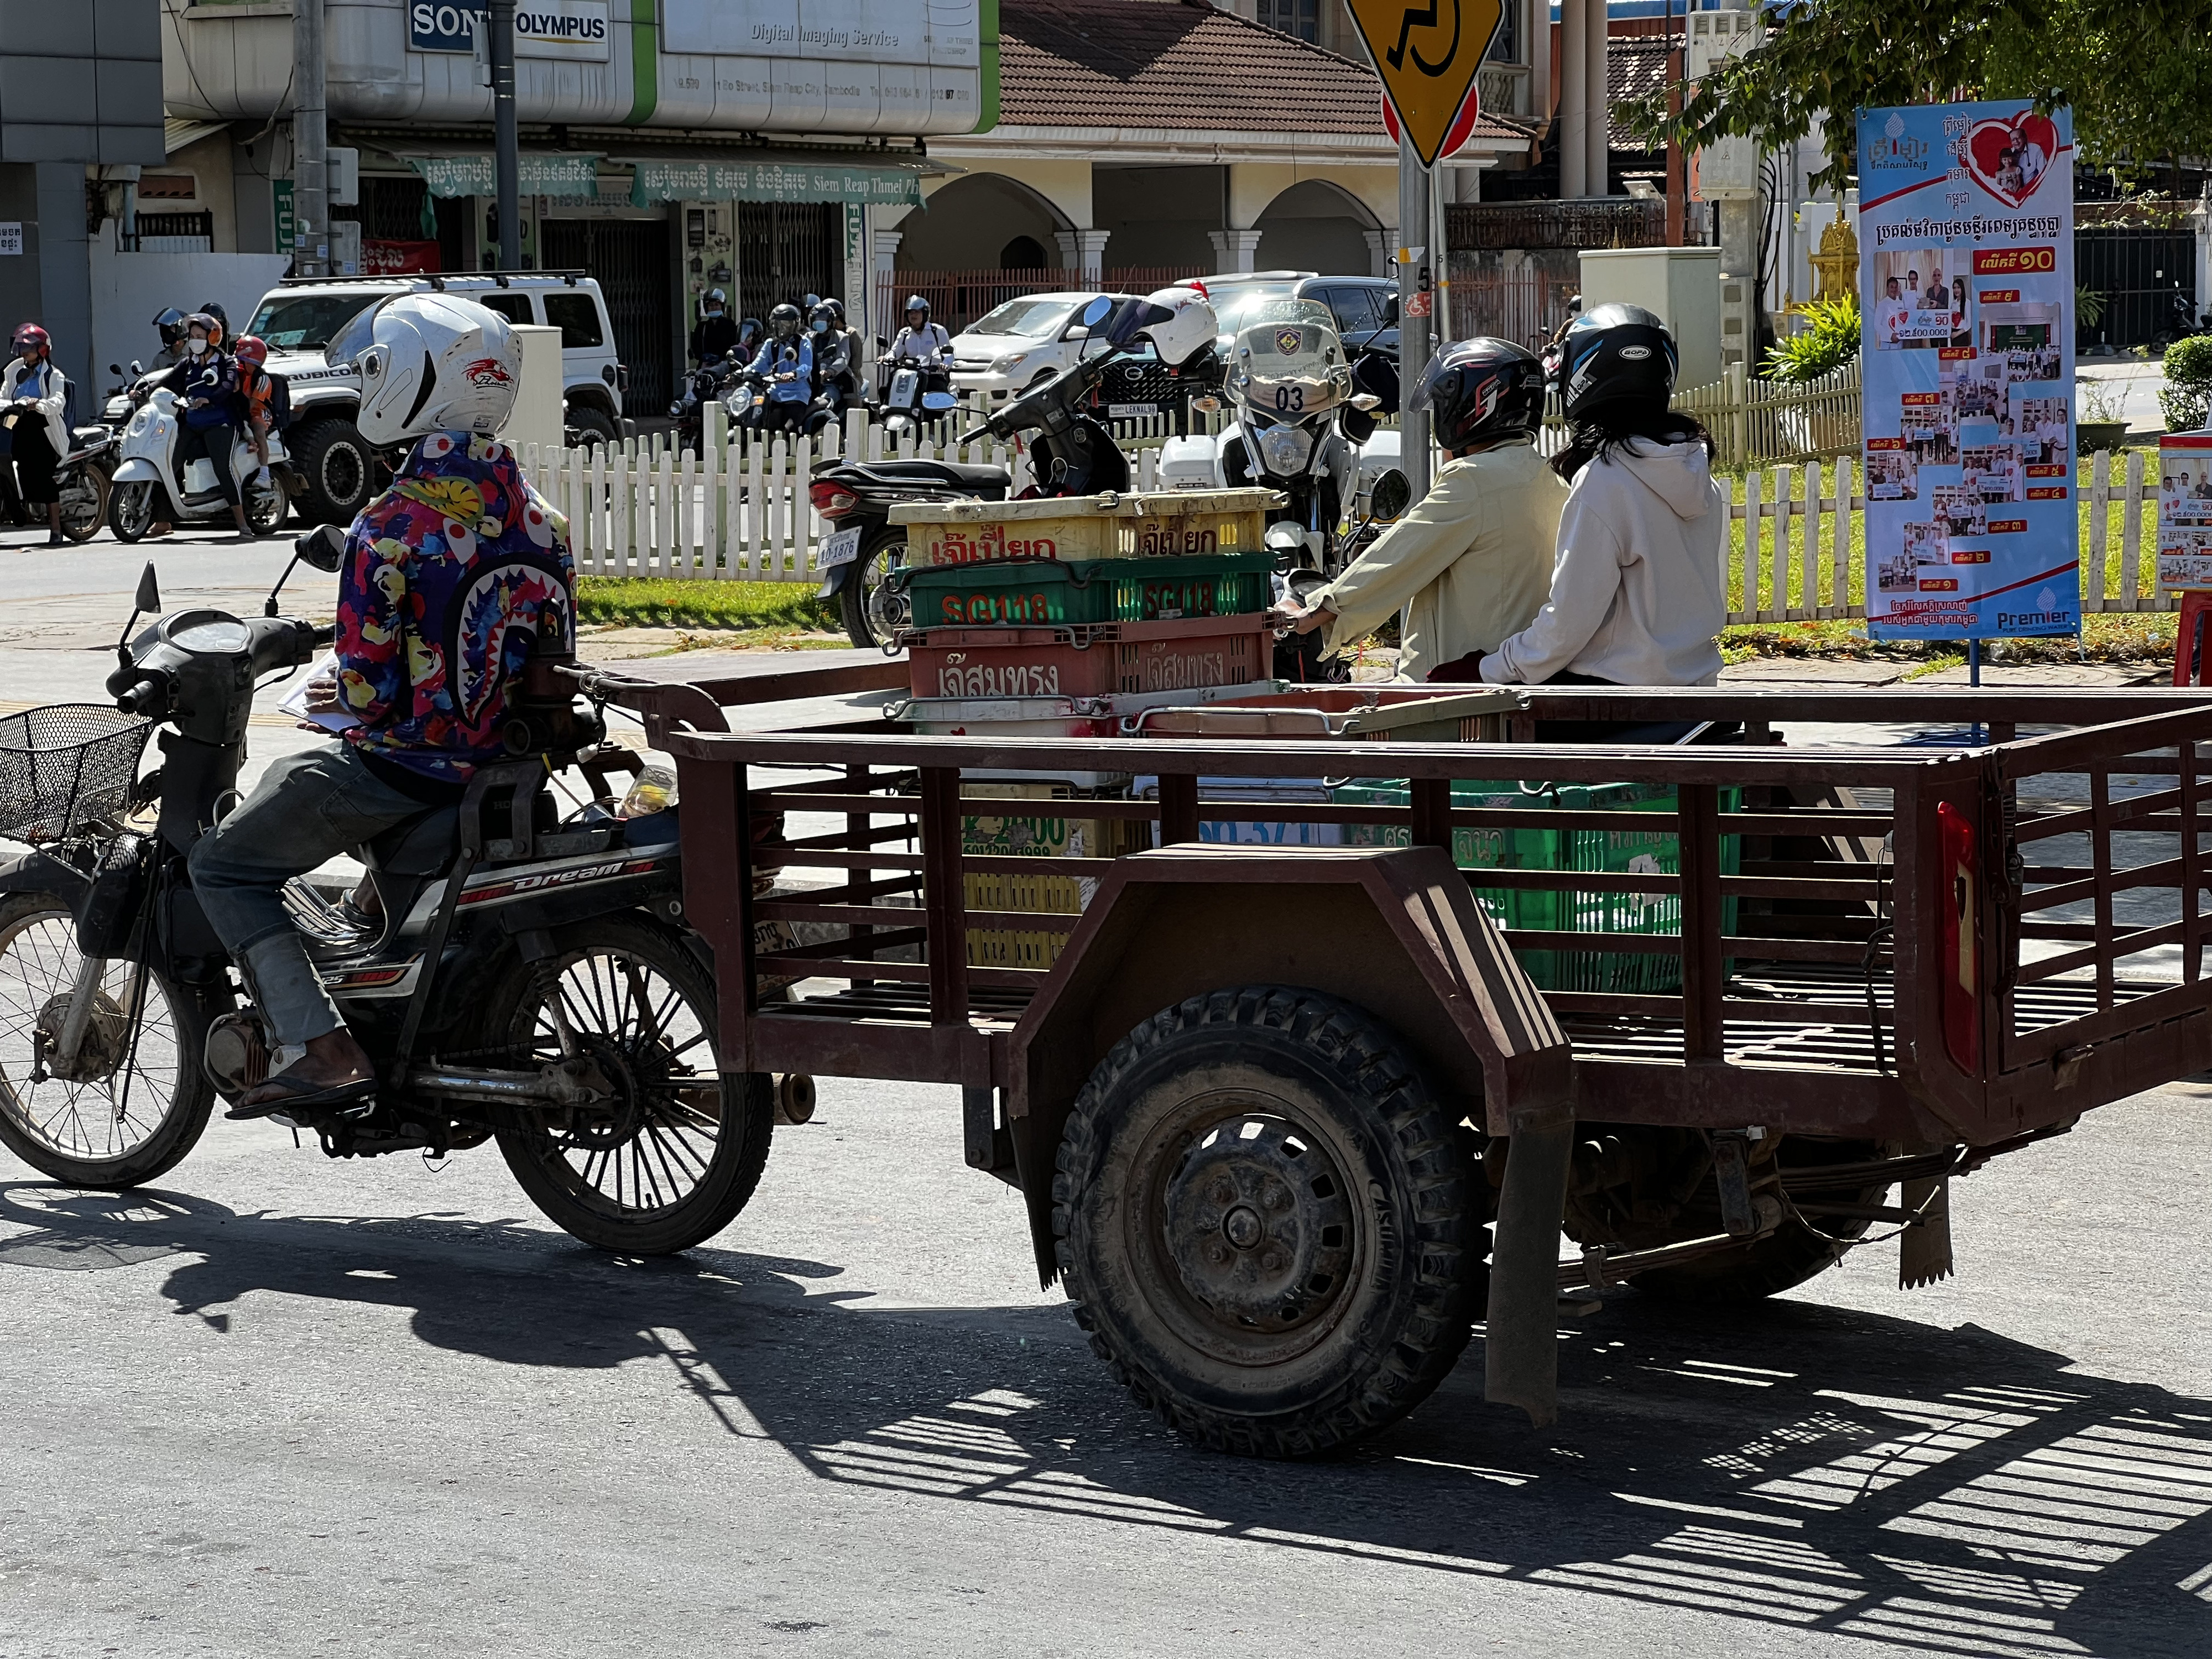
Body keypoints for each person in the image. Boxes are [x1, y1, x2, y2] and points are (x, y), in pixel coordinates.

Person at [186, 293, 573, 1118]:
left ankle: (321, 1048)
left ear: (412, 380)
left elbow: (366, 692)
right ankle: (368, 950)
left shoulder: (390, 524)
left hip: (407, 771)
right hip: (507, 765)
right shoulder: (545, 521)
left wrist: (338, 691)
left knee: (223, 862)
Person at [1463, 303, 1726, 692]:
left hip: (1620, 696)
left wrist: (1488, 667)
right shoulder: (1700, 476)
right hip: (1697, 689)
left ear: (1582, 376)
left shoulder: (1605, 480)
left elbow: (1568, 624)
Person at [1271, 338, 1566, 681]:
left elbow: (1396, 558)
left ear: (1473, 405)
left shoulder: (1473, 480)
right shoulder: (1548, 477)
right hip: (1519, 672)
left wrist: (1312, 611)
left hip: (1459, 682)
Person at [156, 311, 253, 540]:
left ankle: (242, 522)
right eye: (192, 336)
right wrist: (142, 390)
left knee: (223, 468)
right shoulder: (188, 362)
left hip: (221, 423)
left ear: (212, 338)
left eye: (200, 336)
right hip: (193, 422)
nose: (195, 340)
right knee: (170, 463)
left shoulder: (226, 362)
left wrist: (210, 399)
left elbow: (228, 384)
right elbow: (166, 380)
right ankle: (162, 520)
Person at [2, 324, 70, 545]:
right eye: (21, 347)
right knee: (17, 471)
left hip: (42, 429)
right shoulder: (14, 370)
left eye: (28, 348)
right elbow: (3, 394)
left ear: (43, 349)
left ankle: (56, 528)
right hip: (17, 425)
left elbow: (58, 401)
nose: (24, 352)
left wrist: (38, 405)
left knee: (44, 478)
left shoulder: (53, 374)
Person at [743, 302, 812, 431]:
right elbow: (758, 365)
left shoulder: (803, 343)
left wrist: (793, 374)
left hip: (797, 394)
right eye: (777, 324)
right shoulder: (771, 344)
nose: (781, 328)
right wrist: (741, 373)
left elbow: (806, 367)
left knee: (790, 428)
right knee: (767, 425)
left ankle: (794, 448)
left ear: (794, 325)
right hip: (775, 393)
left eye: (785, 324)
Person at [232, 333, 278, 488]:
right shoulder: (239, 375)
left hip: (260, 412)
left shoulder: (263, 379)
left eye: (242, 360)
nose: (239, 363)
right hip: (242, 410)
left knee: (258, 429)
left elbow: (252, 405)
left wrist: (240, 416)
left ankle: (264, 473)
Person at [888, 295, 952, 369]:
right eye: (910, 312)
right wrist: (886, 358)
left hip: (933, 374)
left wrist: (945, 364)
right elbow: (895, 352)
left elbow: (948, 355)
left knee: (937, 382)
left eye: (917, 312)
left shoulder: (937, 331)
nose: (913, 315)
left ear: (925, 314)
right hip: (911, 373)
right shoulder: (904, 333)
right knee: (893, 378)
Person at [690, 287, 738, 364]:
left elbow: (735, 346)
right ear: (706, 307)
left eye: (717, 305)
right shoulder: (701, 327)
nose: (714, 308)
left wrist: (721, 357)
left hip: (725, 366)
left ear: (722, 306)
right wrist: (703, 356)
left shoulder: (729, 325)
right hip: (705, 367)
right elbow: (696, 349)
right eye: (711, 305)